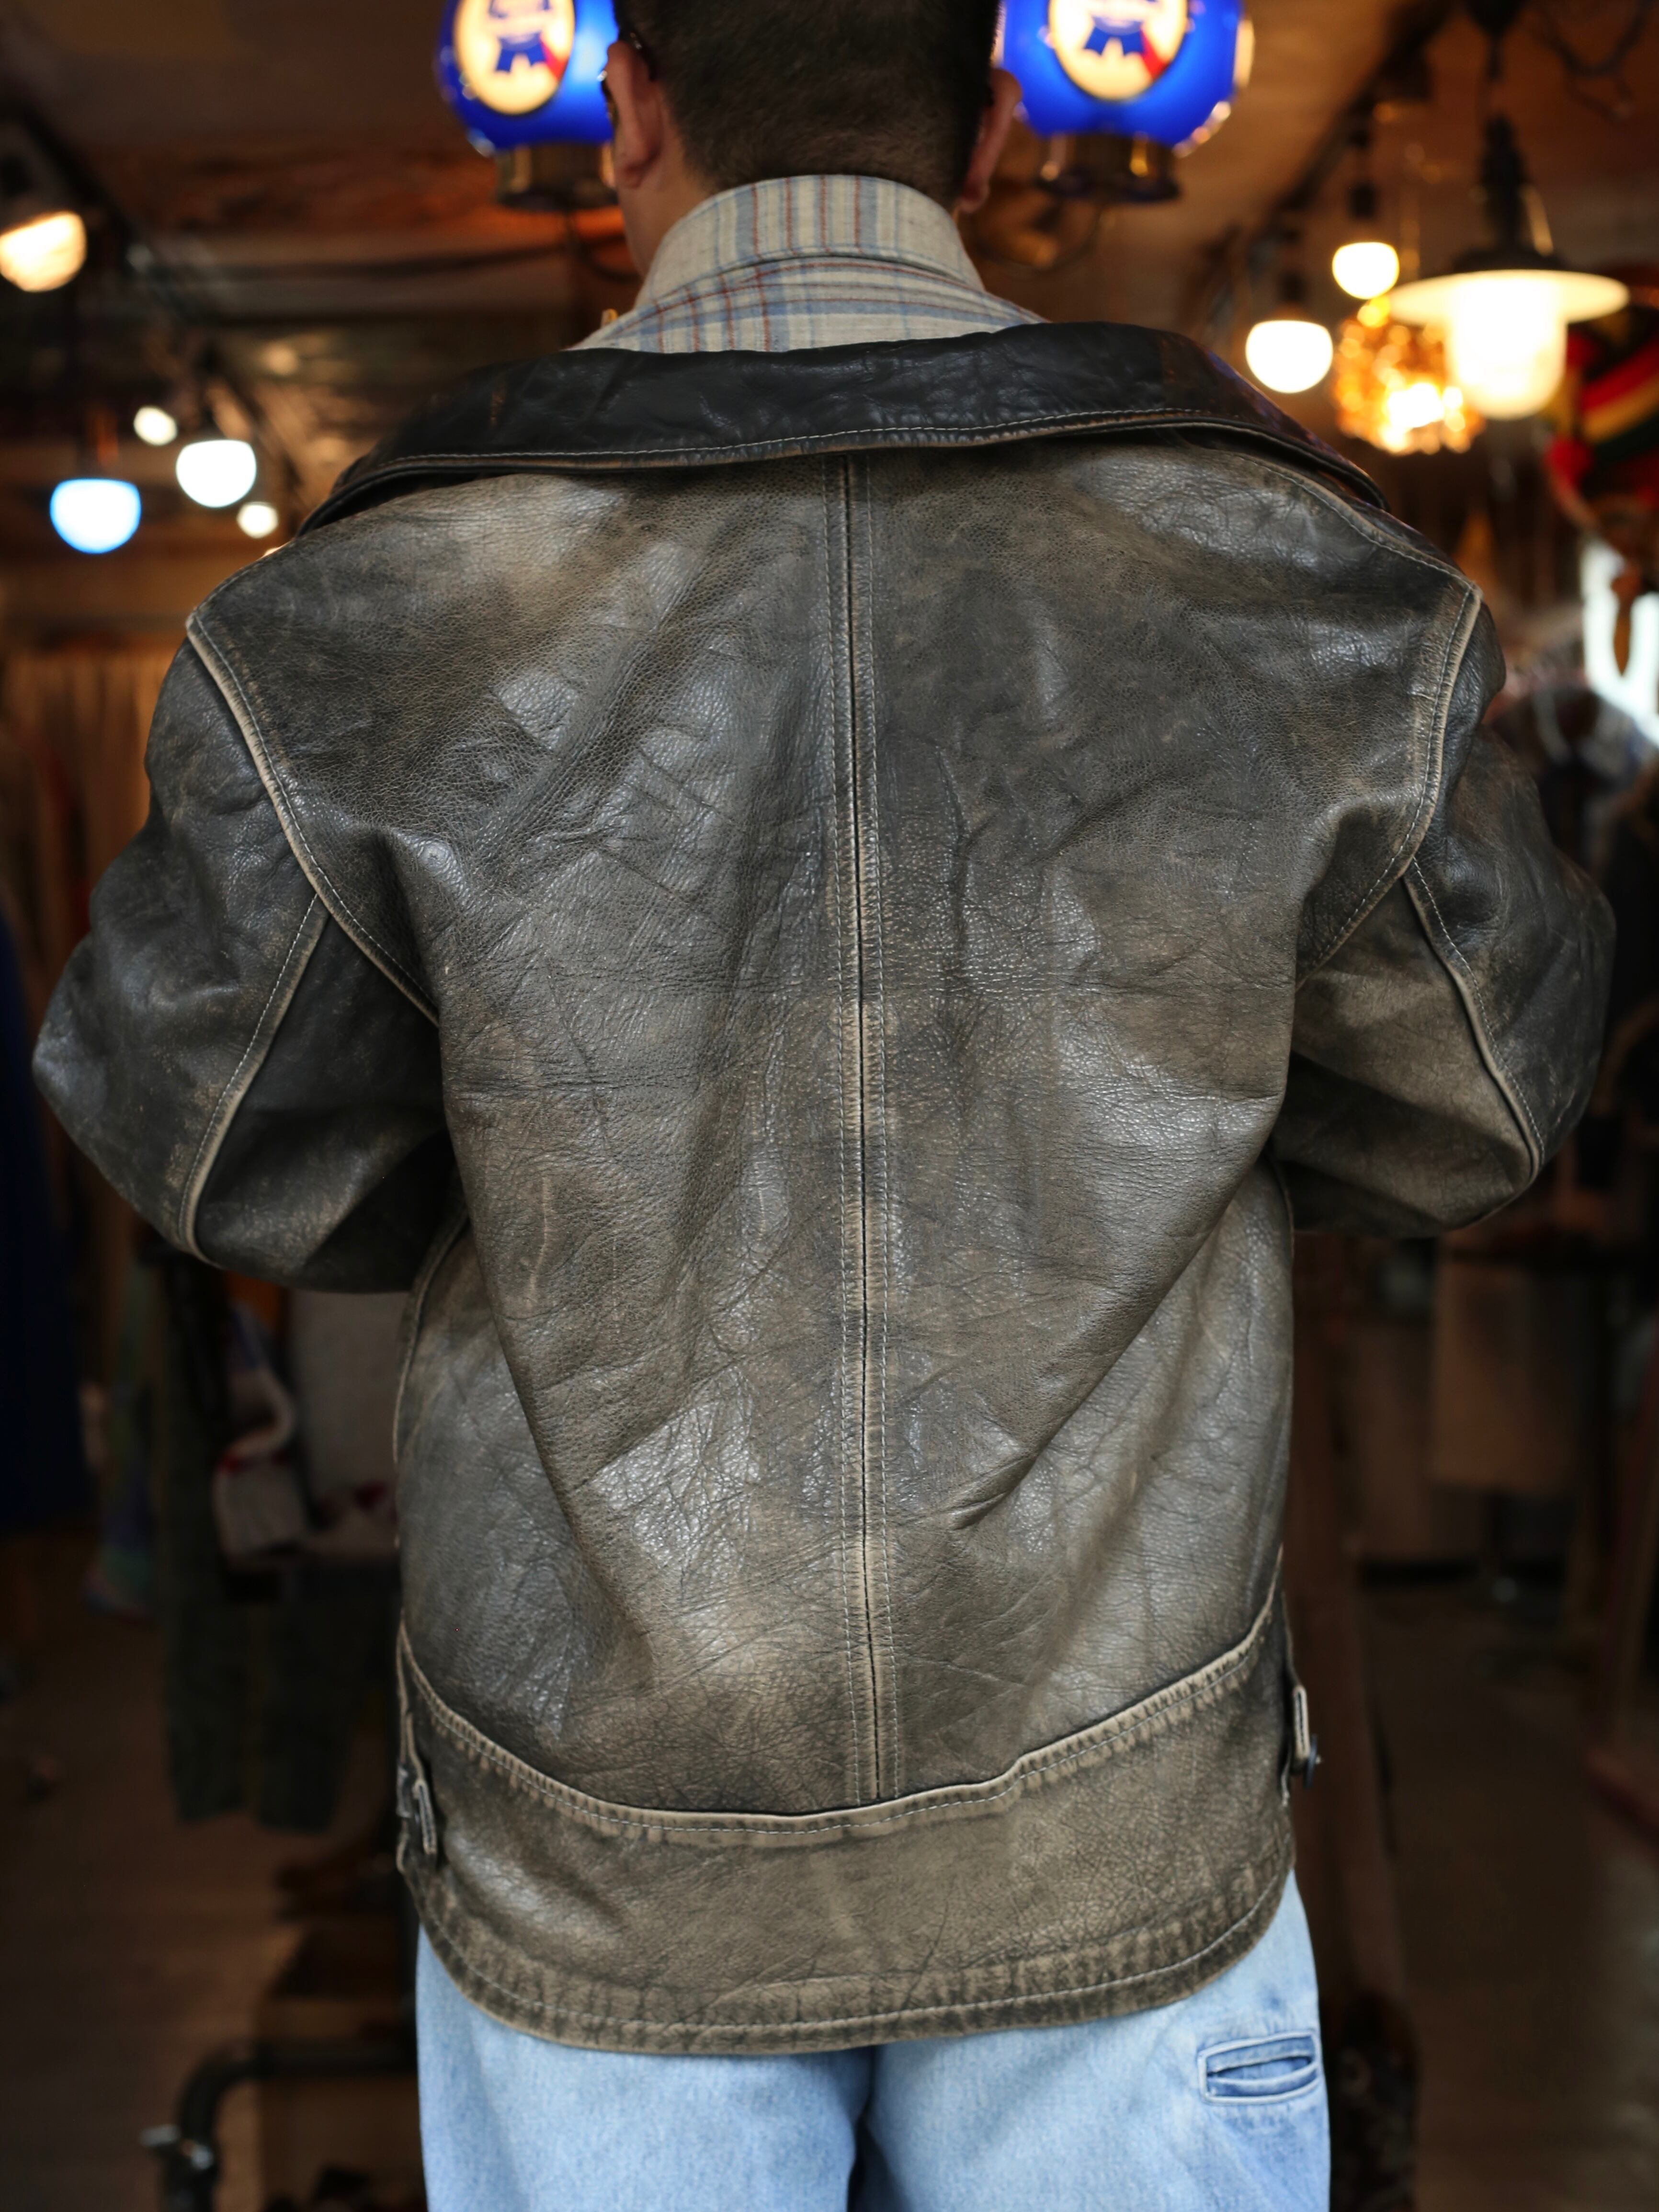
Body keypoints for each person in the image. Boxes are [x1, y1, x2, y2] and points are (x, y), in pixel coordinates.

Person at [35, 3, 1611, 2205]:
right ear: (992, 133)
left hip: (601, 1824)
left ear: (625, 113)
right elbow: (1475, 1100)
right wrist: (1158, 1137)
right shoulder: (1304, 593)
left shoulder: (360, 622)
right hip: (1109, 1780)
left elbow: (206, 1139)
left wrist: (540, 1162)